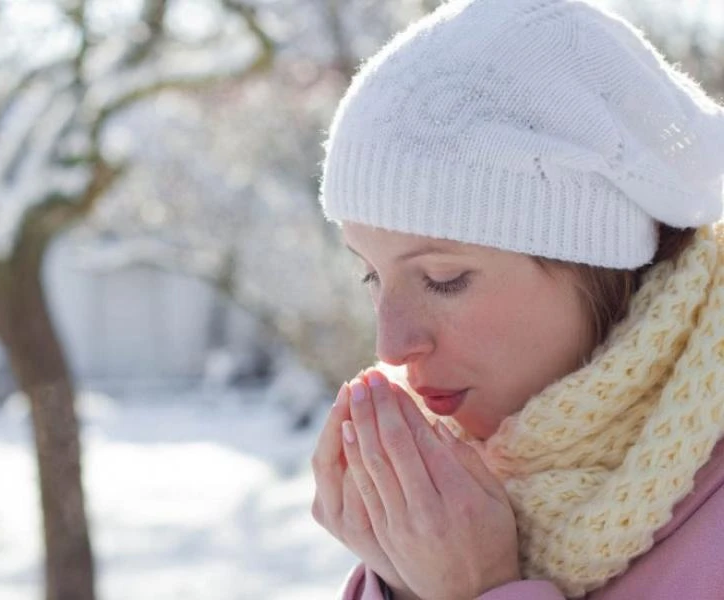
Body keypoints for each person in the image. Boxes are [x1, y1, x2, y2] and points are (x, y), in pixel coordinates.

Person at [310, 0, 724, 598]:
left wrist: (477, 589)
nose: (391, 347)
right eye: (371, 276)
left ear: (597, 261)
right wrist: (400, 583)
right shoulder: (452, 500)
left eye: (443, 278)